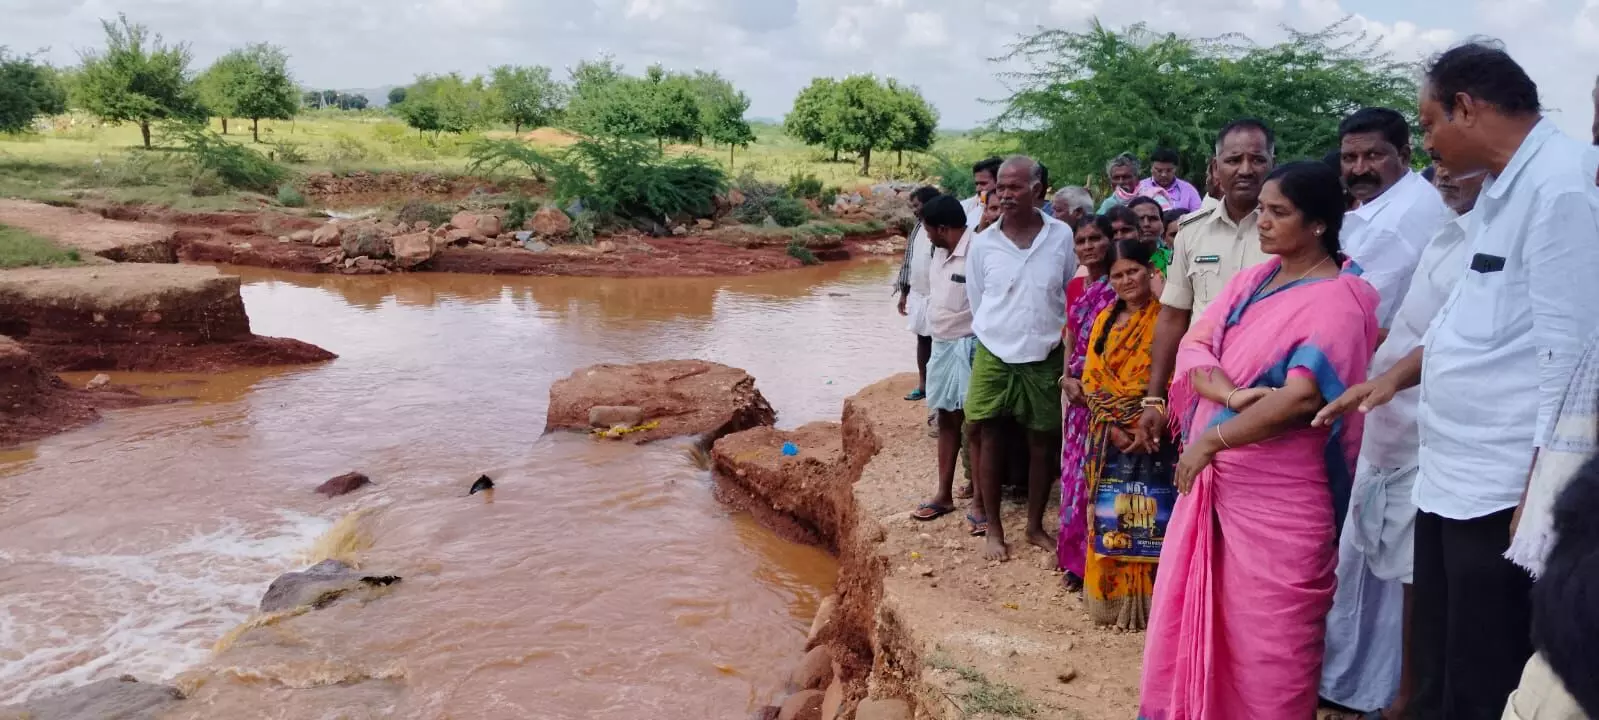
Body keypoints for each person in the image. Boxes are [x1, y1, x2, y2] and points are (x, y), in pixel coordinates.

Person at [1314, 41, 1599, 720]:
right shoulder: (1502, 190)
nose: (1427, 144)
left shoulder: (1561, 188)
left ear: (1466, 108)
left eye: (1430, 123)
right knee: (1439, 655)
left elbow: (1573, 357)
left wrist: (1538, 490)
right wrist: (1392, 380)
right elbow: (1469, 320)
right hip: (1447, 471)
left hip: (1501, 484)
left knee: (1481, 667)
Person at [1140, 161, 1380, 720]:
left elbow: (1301, 399)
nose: (1263, 223)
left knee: (1273, 645)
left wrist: (1211, 441)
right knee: (1199, 622)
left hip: (1282, 503)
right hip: (1220, 487)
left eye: (1278, 212)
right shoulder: (1253, 280)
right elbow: (1196, 346)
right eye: (1263, 210)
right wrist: (1232, 396)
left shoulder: (1339, 299)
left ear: (1319, 223)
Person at [1318, 161, 1485, 720]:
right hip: (1389, 420)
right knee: (1377, 564)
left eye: (1456, 166)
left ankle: (1406, 700)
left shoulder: (1487, 236)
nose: (1444, 173)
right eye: (1438, 164)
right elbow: (1416, 326)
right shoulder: (1447, 229)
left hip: (1432, 429)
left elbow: (1449, 338)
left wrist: (1385, 377)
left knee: (1418, 581)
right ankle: (1372, 687)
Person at [965, 155, 1078, 562]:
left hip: (1045, 353)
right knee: (988, 433)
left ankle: (1033, 526)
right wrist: (1001, 333)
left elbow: (1068, 291)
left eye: (1015, 187)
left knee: (1042, 440)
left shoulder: (1061, 236)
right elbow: (978, 300)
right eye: (1000, 188)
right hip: (994, 353)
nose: (1005, 195)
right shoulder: (983, 243)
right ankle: (993, 528)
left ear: (1038, 191)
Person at [1138, 119, 1276, 444]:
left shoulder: (1293, 228)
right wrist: (1154, 399)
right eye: (1233, 160)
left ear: (1273, 164)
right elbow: (1173, 316)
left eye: (1257, 160)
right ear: (1216, 167)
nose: (1245, 169)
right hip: (1205, 389)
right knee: (1200, 485)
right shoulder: (1191, 230)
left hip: (1271, 392)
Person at [1078, 238, 1168, 629]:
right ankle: (1110, 602)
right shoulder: (1103, 320)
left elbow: (1171, 374)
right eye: (1117, 275)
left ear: (1150, 270)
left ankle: (1151, 605)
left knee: (1152, 511)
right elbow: (1091, 379)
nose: (1127, 280)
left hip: (1155, 430)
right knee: (1109, 512)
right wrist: (1115, 424)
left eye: (1133, 270)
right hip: (1107, 436)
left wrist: (1143, 421)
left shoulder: (1167, 317)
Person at [1336, 107, 1452, 333]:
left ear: (1404, 156)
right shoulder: (1394, 195)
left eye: (1373, 156)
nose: (1359, 169)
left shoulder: (1392, 225)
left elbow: (1353, 321)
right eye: (1350, 158)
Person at [1058, 215, 1117, 588]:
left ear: (1110, 241)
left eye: (1096, 238)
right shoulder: (1079, 286)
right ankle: (1073, 561)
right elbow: (1070, 338)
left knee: (1103, 479)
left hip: (1109, 395)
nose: (1088, 246)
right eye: (1081, 241)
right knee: (1075, 477)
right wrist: (1066, 379)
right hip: (1077, 394)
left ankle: (1101, 564)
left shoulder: (1121, 284)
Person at [909, 195, 976, 522]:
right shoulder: (938, 251)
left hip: (972, 346)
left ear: (942, 227)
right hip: (943, 345)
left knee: (976, 425)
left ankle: (979, 496)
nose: (927, 235)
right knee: (948, 419)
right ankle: (944, 494)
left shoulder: (977, 252)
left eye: (928, 229)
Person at [896, 185, 945, 402]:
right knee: (922, 338)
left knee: (941, 340)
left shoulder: (942, 228)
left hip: (938, 294)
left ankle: (938, 388)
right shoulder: (917, 228)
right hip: (918, 292)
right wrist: (904, 293)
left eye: (917, 206)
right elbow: (909, 260)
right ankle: (924, 385)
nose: (914, 210)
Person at [1138, 147, 1204, 213]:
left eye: (1169, 170)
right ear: (1151, 168)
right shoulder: (1140, 187)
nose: (1164, 174)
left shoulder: (1188, 190)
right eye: (1159, 170)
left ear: (1176, 169)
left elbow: (1198, 216)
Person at [1126, 196, 1172, 273]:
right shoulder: (1119, 259)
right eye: (1139, 219)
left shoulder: (1172, 259)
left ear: (1162, 225)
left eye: (1153, 218)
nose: (1146, 224)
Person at [963, 157, 1003, 230]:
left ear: (999, 182)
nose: (978, 189)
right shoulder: (964, 207)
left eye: (983, 184)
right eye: (977, 184)